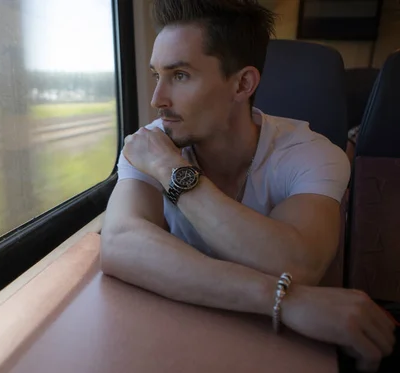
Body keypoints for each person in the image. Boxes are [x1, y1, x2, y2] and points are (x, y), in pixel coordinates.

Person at [99, 1, 397, 372]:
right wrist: (285, 300)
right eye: (156, 74)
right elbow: (119, 243)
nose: (157, 98)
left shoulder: (311, 153)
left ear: (243, 83)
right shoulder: (148, 146)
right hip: (183, 336)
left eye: (179, 76)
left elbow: (294, 264)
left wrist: (171, 170)